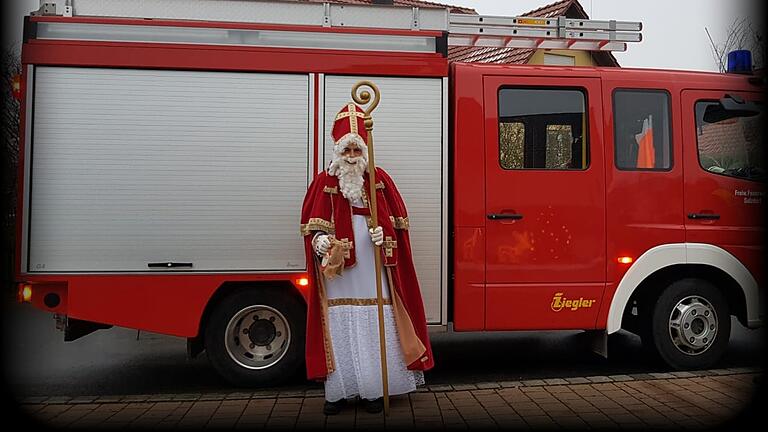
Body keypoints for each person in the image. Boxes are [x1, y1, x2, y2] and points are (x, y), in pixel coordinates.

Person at [300, 102, 434, 415]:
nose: (350, 157)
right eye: (345, 151)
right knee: (338, 326)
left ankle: (374, 390)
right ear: (337, 150)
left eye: (356, 151)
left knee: (375, 325)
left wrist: (382, 237)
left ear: (365, 152)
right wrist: (320, 242)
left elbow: (397, 229)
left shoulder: (379, 181)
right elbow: (312, 226)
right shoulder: (324, 182)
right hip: (339, 277)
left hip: (374, 271)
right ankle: (338, 392)